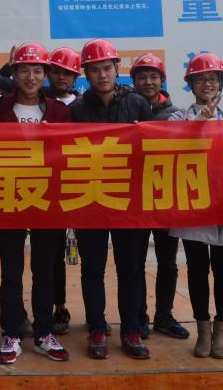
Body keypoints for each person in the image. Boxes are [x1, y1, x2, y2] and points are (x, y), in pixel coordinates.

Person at [69, 39, 153, 361]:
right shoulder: (77, 110)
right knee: (92, 268)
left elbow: (151, 151)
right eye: (94, 70)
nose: (102, 75)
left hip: (128, 200)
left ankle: (131, 329)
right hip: (90, 199)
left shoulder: (137, 104)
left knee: (130, 268)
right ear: (85, 74)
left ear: (117, 69)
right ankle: (97, 327)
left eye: (107, 68)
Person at [0, 42, 71, 365]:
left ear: (45, 74)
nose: (31, 77)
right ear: (14, 73)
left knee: (44, 271)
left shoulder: (60, 112)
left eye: (37, 71)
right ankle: (11, 333)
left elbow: (72, 154)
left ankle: (44, 333)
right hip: (7, 198)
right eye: (24, 70)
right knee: (11, 272)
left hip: (47, 200)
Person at [169, 53, 223, 359]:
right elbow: (175, 148)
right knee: (196, 268)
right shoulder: (178, 118)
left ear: (220, 82)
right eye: (200, 79)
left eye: (212, 79)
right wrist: (201, 121)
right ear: (191, 84)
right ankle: (203, 330)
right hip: (193, 205)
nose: (207, 84)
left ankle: (222, 329)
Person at [130, 53, 189, 341]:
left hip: (165, 196)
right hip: (133, 198)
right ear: (134, 81)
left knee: (167, 261)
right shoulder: (125, 111)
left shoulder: (177, 115)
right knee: (135, 262)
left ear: (162, 80)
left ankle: (164, 315)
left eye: (153, 76)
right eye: (142, 77)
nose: (148, 82)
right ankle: (138, 316)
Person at [44, 47, 80, 335]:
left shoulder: (82, 106)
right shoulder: (39, 102)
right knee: (52, 256)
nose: (61, 77)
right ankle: (56, 306)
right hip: (42, 188)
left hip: (77, 186)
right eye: (56, 71)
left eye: (67, 73)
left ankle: (92, 315)